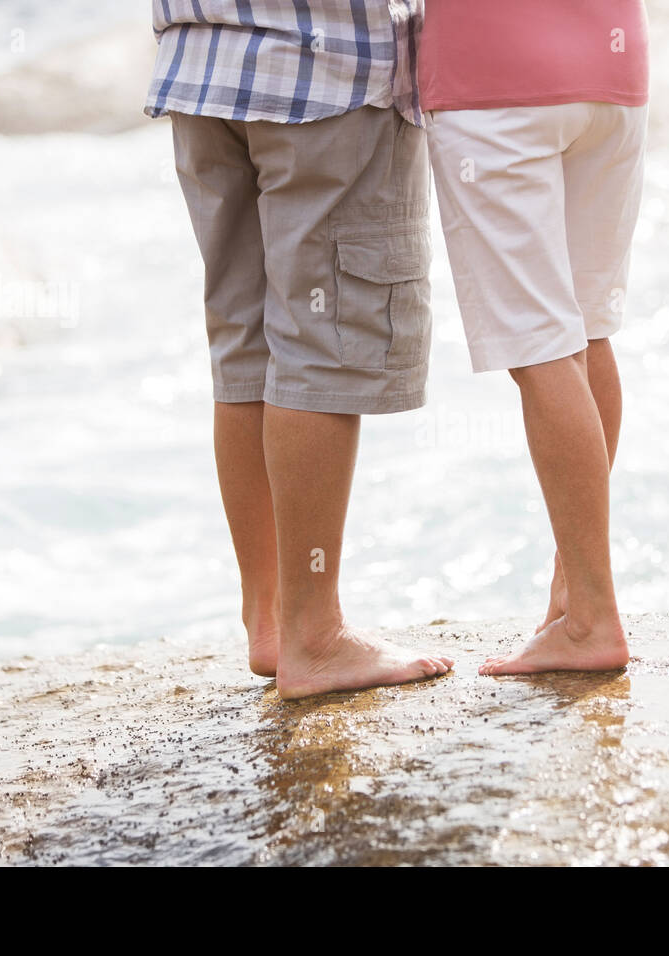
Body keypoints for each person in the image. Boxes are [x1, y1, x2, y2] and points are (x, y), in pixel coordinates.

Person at [146, 0, 452, 699]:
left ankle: (272, 619)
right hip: (328, 69)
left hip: (203, 67)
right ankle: (314, 637)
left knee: (244, 341)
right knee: (323, 348)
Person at [418, 0, 650, 675]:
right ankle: (576, 590)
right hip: (614, 73)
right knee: (588, 329)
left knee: (542, 346)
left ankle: (591, 620)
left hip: (492, 84)